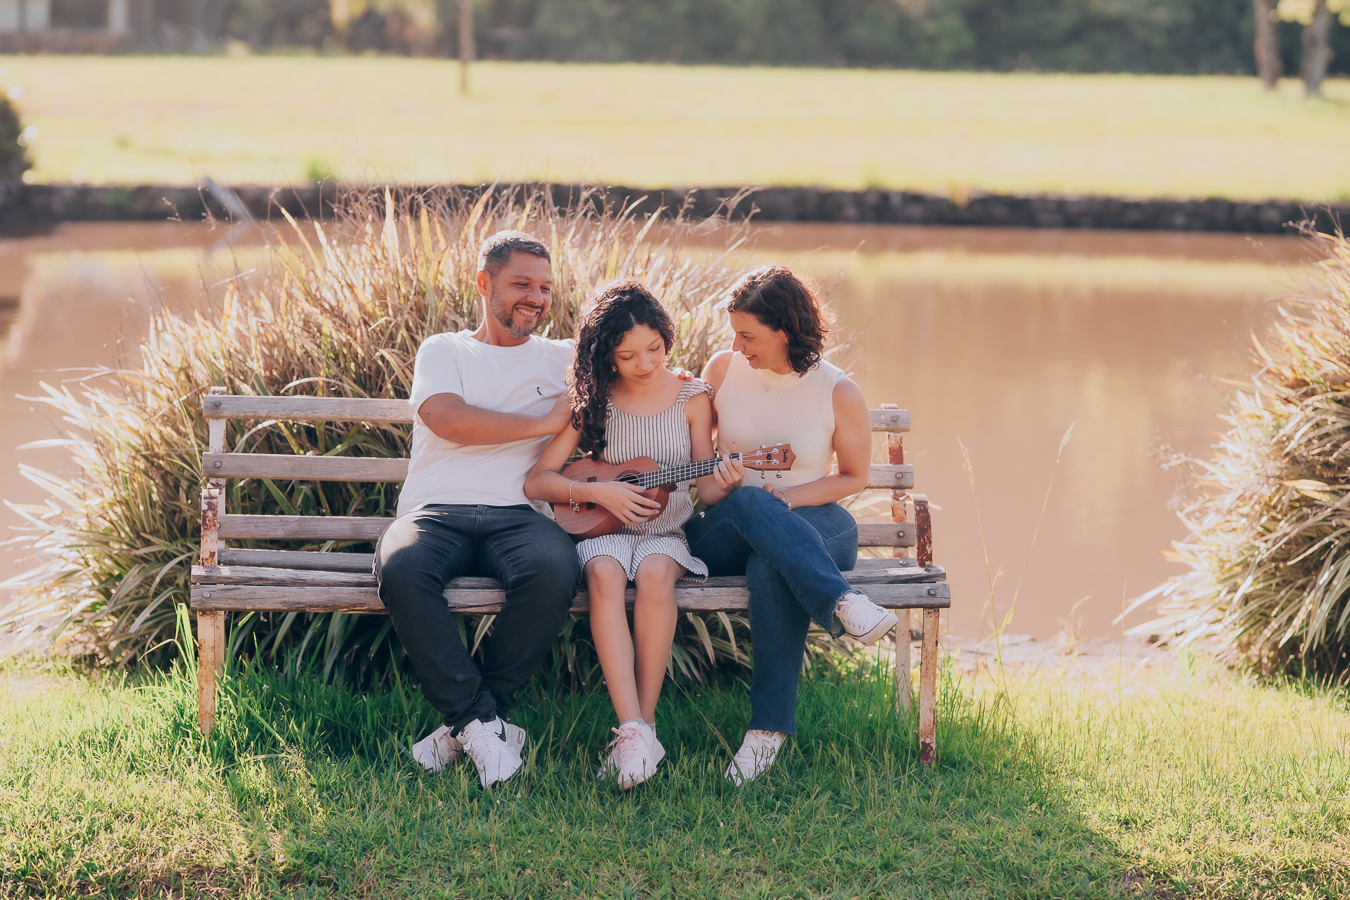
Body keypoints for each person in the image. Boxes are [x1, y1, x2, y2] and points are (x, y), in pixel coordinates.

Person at [374, 230, 581, 789]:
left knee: (555, 567)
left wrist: (684, 380)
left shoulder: (564, 359)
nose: (535, 298)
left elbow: (639, 368)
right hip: (434, 511)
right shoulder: (445, 350)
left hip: (520, 515)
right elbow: (448, 419)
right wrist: (544, 422)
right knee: (402, 566)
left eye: (545, 288)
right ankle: (485, 725)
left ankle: (467, 726)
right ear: (484, 284)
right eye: (521, 284)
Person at [684, 264, 899, 786]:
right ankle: (842, 602)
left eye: (748, 335)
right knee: (752, 505)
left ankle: (766, 734)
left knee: (771, 563)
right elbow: (705, 489)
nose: (736, 345)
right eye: (734, 333)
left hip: (813, 520)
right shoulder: (721, 370)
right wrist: (730, 484)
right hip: (727, 524)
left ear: (785, 330)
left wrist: (788, 498)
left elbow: (851, 476)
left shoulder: (837, 391)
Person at [524, 280, 742, 789]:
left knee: (656, 573)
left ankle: (642, 729)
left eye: (655, 348)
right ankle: (633, 729)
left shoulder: (692, 397)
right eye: (627, 356)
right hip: (605, 528)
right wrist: (601, 493)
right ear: (606, 357)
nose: (645, 363)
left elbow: (707, 489)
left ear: (667, 338)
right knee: (602, 573)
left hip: (667, 530)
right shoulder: (594, 400)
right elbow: (539, 481)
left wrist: (727, 480)